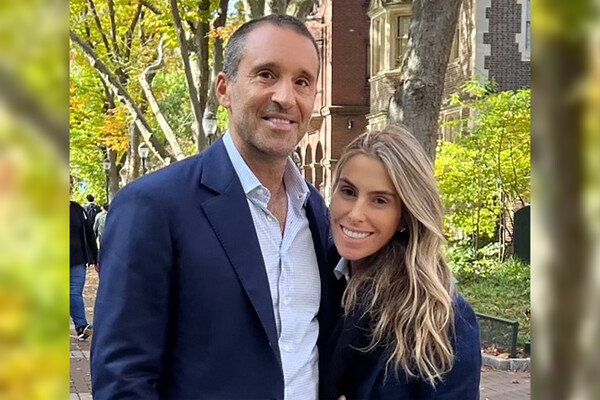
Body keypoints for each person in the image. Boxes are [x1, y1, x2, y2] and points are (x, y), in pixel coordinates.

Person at [91, 15, 342, 400]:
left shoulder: (316, 210)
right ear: (224, 88)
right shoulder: (153, 207)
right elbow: (123, 378)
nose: (286, 97)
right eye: (266, 74)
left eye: (302, 82)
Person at [322, 126, 481, 399]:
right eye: (348, 192)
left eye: (379, 201)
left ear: (405, 216)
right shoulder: (313, 274)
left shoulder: (441, 317)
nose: (355, 214)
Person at [70, 197, 98, 341]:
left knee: (74, 292)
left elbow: (89, 233)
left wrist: (95, 258)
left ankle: (81, 327)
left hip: (77, 259)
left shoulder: (76, 209)